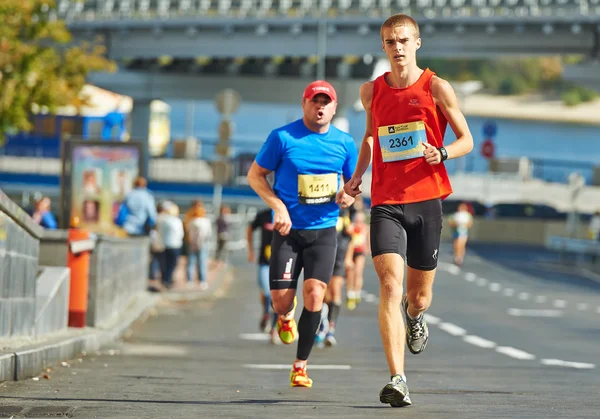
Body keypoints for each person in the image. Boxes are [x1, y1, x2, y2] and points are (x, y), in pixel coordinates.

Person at [343, 14, 474, 407]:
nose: (396, 47)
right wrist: (356, 179)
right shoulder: (372, 91)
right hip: (385, 202)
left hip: (426, 201)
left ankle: (416, 319)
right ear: (382, 47)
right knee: (388, 285)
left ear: (417, 42)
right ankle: (397, 378)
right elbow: (368, 138)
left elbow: (466, 138)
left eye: (403, 40)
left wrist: (443, 152)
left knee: (417, 298)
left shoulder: (436, 87)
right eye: (389, 41)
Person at [247, 80, 358, 388]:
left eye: (326, 102)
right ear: (304, 104)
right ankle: (284, 316)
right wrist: (277, 207)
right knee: (282, 301)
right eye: (314, 101)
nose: (320, 106)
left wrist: (349, 197)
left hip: (323, 233)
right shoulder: (282, 138)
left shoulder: (345, 143)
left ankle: (300, 366)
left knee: (315, 296)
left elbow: (353, 186)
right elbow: (255, 176)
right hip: (288, 232)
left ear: (335, 108)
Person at [315, 205, 355, 348]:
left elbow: (351, 238)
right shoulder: (322, 209)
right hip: (324, 253)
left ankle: (331, 329)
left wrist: (349, 258)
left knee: (336, 290)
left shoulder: (345, 213)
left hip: (339, 255)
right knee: (324, 294)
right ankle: (322, 326)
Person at [247, 208, 279, 342]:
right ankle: (266, 313)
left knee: (278, 296)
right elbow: (250, 229)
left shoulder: (290, 213)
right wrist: (251, 250)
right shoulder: (263, 215)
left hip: (282, 262)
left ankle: (274, 328)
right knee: (266, 291)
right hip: (264, 261)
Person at [346, 210, 369, 311]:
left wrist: (367, 249)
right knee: (350, 271)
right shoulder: (352, 227)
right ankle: (350, 292)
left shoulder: (366, 228)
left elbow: (368, 240)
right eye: (357, 219)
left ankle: (357, 292)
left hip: (360, 251)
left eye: (360, 220)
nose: (359, 222)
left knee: (358, 272)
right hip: (351, 251)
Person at [187, 202, 212, 290]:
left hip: (192, 244)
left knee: (191, 262)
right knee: (202, 262)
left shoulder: (191, 221)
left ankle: (190, 280)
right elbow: (208, 234)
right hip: (203, 244)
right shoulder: (206, 222)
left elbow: (188, 232)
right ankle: (202, 281)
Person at [449, 202, 474, 266]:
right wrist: (456, 224)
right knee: (456, 245)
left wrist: (464, 225)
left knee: (461, 244)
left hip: (463, 232)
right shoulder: (455, 215)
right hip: (456, 232)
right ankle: (456, 256)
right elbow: (451, 223)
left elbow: (470, 224)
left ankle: (460, 257)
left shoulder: (467, 215)